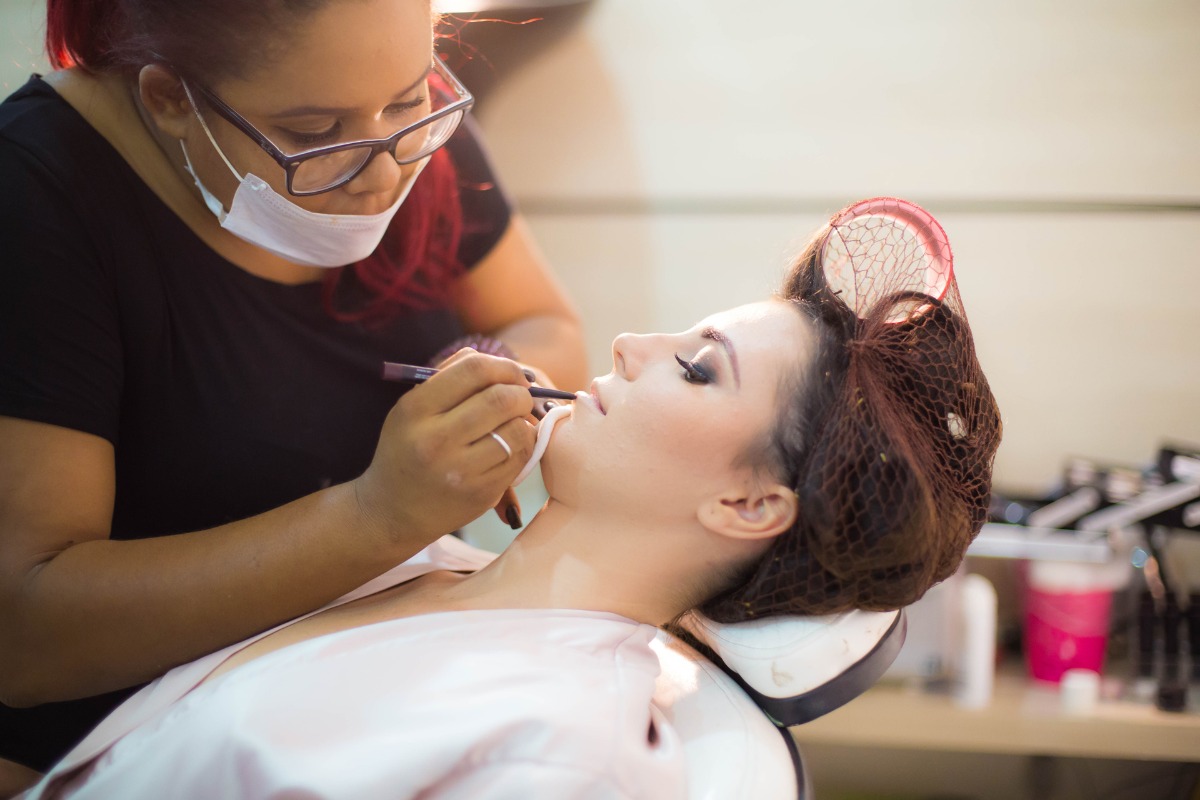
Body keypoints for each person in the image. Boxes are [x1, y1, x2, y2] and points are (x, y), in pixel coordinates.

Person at [18, 200, 1003, 799]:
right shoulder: (419, 557)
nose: (629, 344)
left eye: (697, 368)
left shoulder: (563, 754)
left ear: (749, 505)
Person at [0, 0, 589, 786]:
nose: (384, 176)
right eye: (314, 134)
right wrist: (377, 517)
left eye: (410, 100)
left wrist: (495, 374)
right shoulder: (34, 199)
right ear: (170, 98)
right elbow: (24, 636)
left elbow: (541, 320)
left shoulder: (394, 120)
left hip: (341, 720)